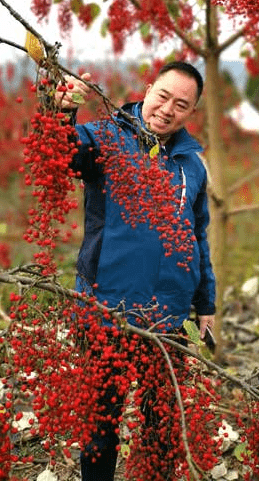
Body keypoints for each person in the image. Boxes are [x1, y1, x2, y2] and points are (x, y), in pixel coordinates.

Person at [55, 61, 216, 480]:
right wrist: (62, 113)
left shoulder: (192, 166)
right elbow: (63, 154)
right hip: (106, 310)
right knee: (100, 430)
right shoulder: (106, 137)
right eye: (163, 96)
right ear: (148, 89)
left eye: (181, 105)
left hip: (169, 317)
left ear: (191, 112)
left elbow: (197, 237)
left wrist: (206, 304)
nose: (167, 109)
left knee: (160, 430)